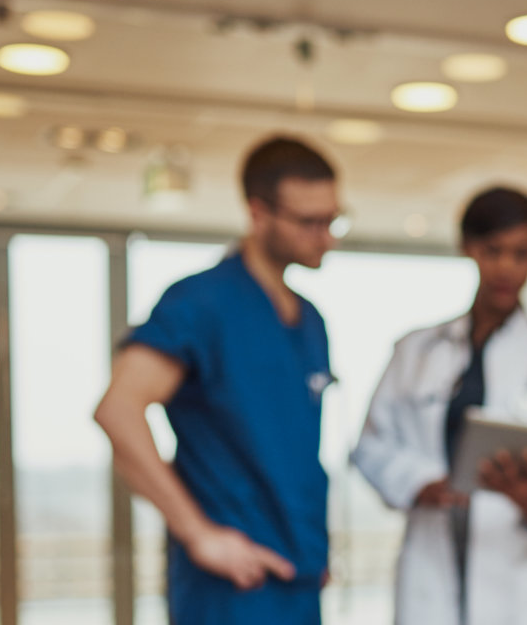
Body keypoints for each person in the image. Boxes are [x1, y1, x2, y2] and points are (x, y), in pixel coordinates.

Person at [93, 136, 343, 625]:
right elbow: (118, 411)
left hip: (299, 576)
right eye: (309, 222)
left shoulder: (309, 321)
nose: (326, 237)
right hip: (232, 585)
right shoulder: (200, 304)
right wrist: (198, 534)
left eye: (333, 220)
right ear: (258, 213)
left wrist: (311, 545)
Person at [350, 187, 527, 624]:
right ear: (468, 248)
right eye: (493, 250)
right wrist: (418, 481)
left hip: (518, 580)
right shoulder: (416, 352)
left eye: (520, 253)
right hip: (431, 563)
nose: (506, 267)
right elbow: (369, 447)